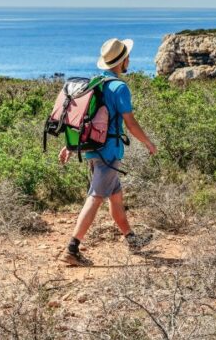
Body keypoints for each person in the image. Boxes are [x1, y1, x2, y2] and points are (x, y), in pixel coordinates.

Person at [58, 38, 158, 266]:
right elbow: (130, 123)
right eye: (128, 57)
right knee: (95, 198)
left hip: (94, 149)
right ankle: (71, 249)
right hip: (109, 153)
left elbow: (82, 119)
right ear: (123, 61)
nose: (129, 59)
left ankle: (132, 240)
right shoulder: (119, 87)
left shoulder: (97, 83)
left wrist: (71, 146)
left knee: (115, 197)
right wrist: (148, 143)